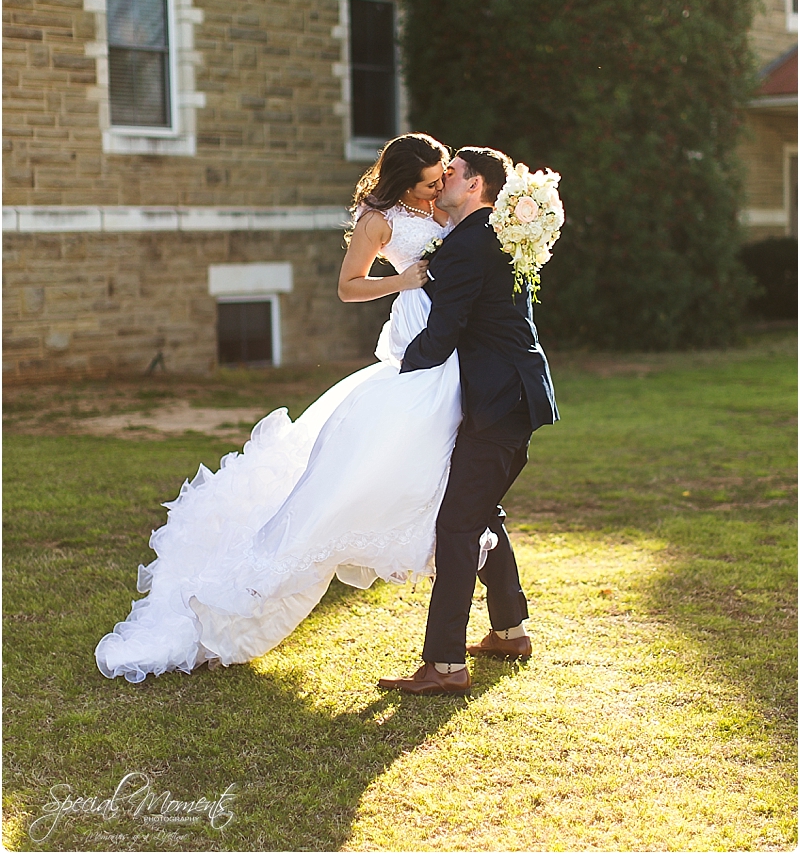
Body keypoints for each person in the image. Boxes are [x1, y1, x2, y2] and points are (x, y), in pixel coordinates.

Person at [95, 133, 469, 683]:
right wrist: (402, 279)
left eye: (442, 178)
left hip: (449, 326)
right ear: (404, 180)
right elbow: (347, 287)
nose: (439, 189)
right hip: (416, 318)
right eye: (430, 181)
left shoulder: (436, 203)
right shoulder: (379, 222)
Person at [378, 148, 559, 697]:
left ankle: (445, 666)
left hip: (499, 401)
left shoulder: (468, 245)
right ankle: (510, 630)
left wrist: (394, 374)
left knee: (457, 524)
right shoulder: (495, 234)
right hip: (515, 394)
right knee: (480, 512)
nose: (442, 179)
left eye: (452, 172)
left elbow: (444, 334)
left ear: (476, 185)